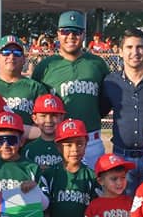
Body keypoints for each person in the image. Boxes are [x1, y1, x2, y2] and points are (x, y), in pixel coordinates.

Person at [32, 11, 110, 171]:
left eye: (76, 32)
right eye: (65, 31)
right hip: (58, 140)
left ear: (83, 35)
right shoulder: (46, 66)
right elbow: (37, 102)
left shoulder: (97, 64)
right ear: (58, 34)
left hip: (90, 141)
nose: (71, 36)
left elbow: (105, 102)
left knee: (95, 190)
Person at [101, 28, 143, 195]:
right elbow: (99, 111)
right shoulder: (110, 82)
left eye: (139, 47)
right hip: (122, 158)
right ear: (121, 51)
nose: (134, 52)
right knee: (124, 209)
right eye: (129, 47)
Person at [0, 35, 48, 129]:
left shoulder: (36, 88)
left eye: (17, 53)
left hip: (27, 142)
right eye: (6, 52)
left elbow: (45, 123)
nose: (11, 56)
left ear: (24, 59)